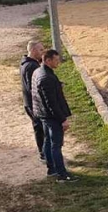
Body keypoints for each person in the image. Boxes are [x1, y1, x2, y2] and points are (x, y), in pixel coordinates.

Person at [31, 49, 76, 183]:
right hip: (51, 116)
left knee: (48, 141)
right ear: (48, 60)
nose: (59, 62)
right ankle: (62, 175)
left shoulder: (39, 72)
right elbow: (51, 103)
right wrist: (62, 120)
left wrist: (57, 86)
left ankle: (52, 169)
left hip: (42, 114)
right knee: (56, 145)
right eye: (56, 60)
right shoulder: (46, 78)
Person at [20, 40, 46, 161]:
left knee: (40, 128)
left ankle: (44, 152)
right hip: (34, 104)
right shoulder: (31, 66)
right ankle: (44, 153)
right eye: (41, 50)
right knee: (40, 129)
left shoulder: (26, 63)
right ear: (34, 50)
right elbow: (34, 87)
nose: (43, 52)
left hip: (30, 102)